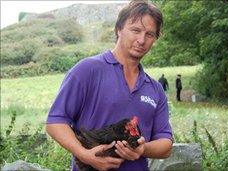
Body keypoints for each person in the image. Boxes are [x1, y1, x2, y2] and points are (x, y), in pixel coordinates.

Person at [45, 1, 173, 171]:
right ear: (119, 29)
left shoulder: (155, 89)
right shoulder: (86, 70)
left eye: (149, 34)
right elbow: (55, 122)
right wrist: (85, 155)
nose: (141, 40)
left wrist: (143, 148)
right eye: (135, 30)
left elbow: (165, 144)